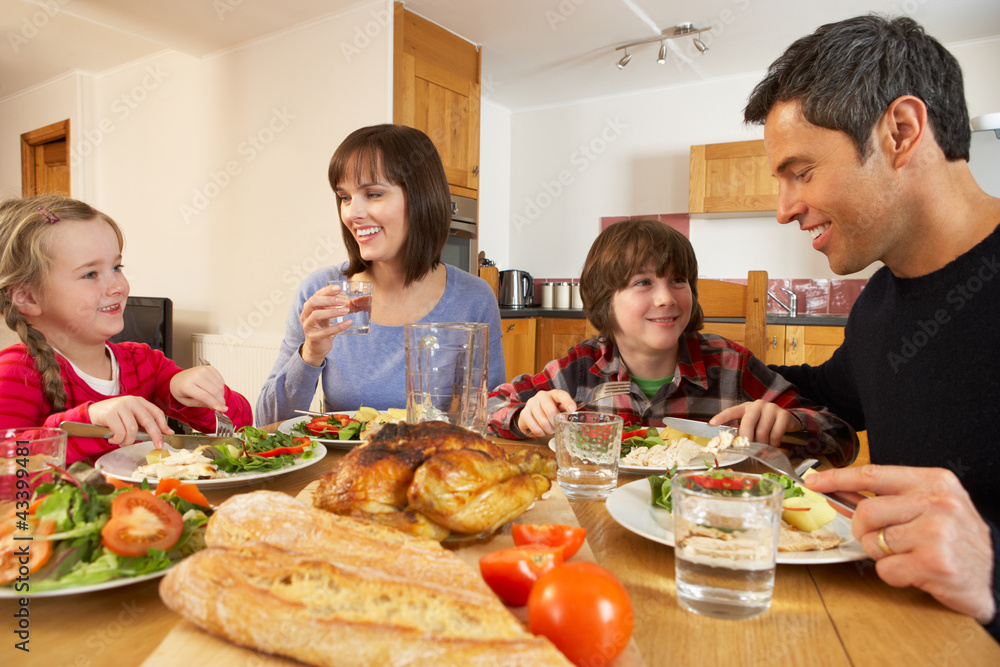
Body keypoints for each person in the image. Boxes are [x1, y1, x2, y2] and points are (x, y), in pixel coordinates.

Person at [738, 14, 1000, 638]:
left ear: (901, 132)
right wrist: (673, 359)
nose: (784, 210)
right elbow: (828, 390)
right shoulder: (881, 303)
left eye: (801, 172)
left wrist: (990, 569)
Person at [487, 217, 858, 466]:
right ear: (604, 300)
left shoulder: (731, 365)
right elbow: (487, 406)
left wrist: (790, 423)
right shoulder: (580, 368)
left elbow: (840, 438)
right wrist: (524, 416)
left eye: (678, 280)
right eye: (643, 282)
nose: (666, 297)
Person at [256, 124, 504, 423]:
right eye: (344, 197)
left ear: (421, 198)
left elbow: (493, 415)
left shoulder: (473, 298)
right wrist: (310, 354)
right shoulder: (321, 292)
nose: (351, 213)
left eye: (372, 194)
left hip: (434, 466)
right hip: (348, 469)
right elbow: (266, 422)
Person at [0, 194, 251, 464]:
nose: (118, 286)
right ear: (27, 298)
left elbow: (244, 425)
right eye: (90, 274)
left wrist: (198, 394)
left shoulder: (145, 362)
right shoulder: (16, 373)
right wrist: (87, 422)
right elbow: (10, 468)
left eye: (117, 267)